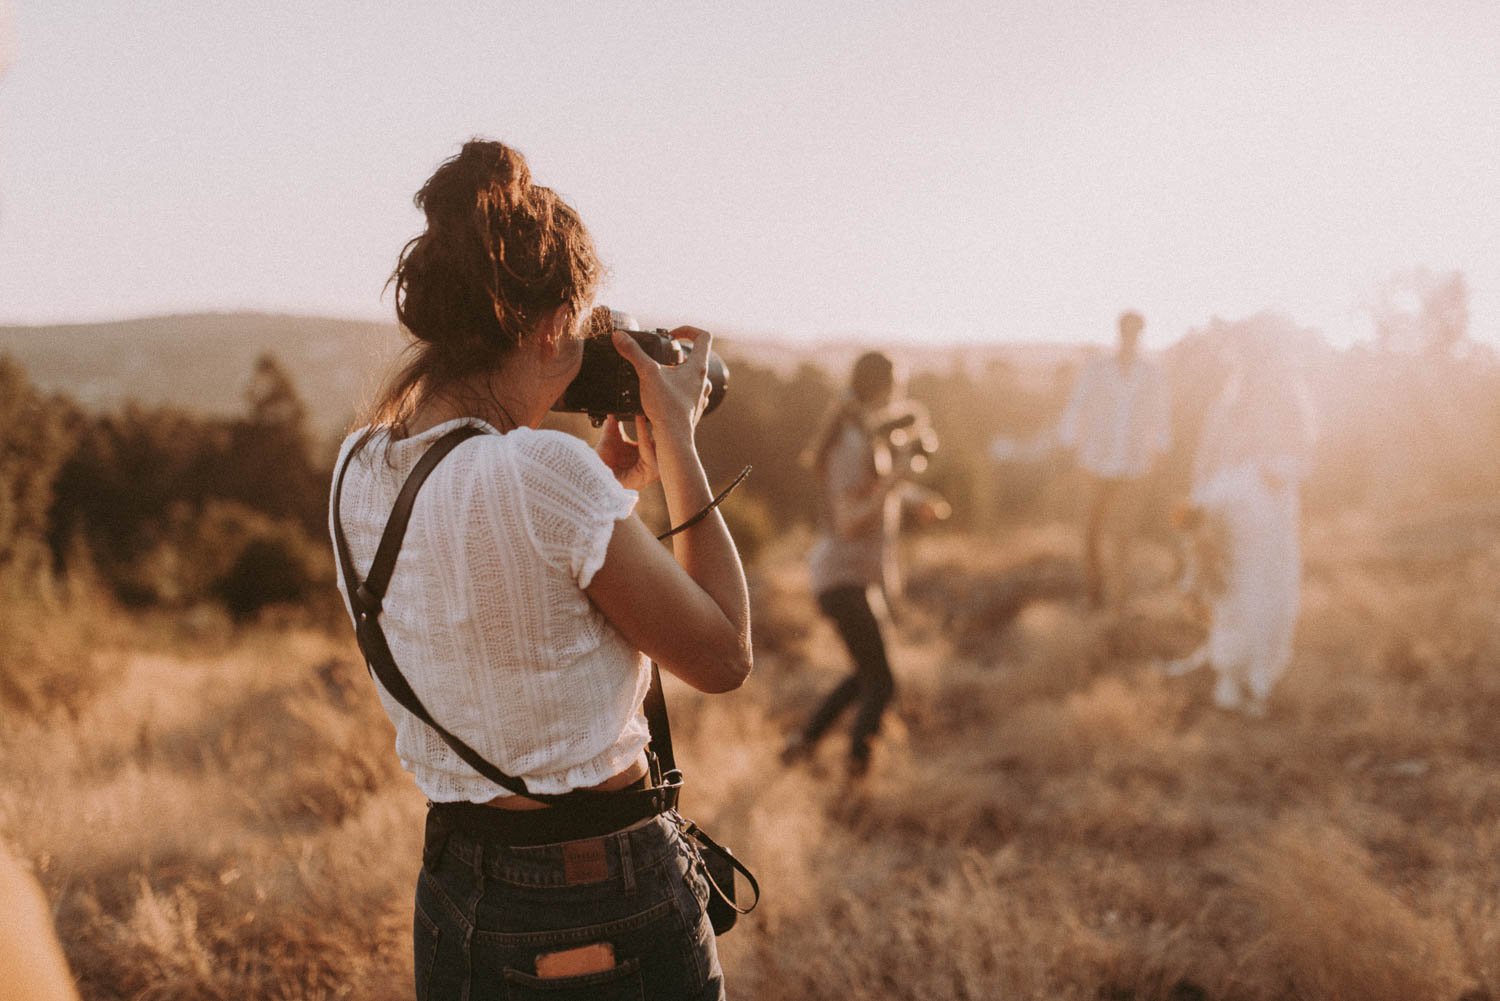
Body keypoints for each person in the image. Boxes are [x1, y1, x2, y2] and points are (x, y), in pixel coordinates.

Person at [330, 140, 751, 1000]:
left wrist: (609, 490)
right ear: (553, 321)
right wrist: (679, 444)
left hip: (459, 890)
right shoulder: (541, 475)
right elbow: (723, 655)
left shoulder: (356, 466)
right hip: (604, 892)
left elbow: (511, 595)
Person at [781, 352, 946, 778]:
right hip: (840, 575)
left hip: (855, 575)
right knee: (881, 680)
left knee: (864, 674)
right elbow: (850, 521)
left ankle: (802, 744)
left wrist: (913, 497)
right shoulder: (849, 442)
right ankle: (857, 769)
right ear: (885, 388)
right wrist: (897, 479)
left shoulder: (864, 434)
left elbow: (869, 493)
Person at [1165, 318, 1315, 715]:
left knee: (1272, 588)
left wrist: (1278, 470)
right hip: (1228, 507)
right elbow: (1207, 457)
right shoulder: (1227, 403)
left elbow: (1304, 456)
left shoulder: (1290, 400)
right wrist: (1199, 506)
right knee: (1231, 587)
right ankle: (1229, 674)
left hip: (1272, 509)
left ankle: (1260, 674)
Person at [1055, 310, 1171, 608]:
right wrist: (1068, 441)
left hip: (1134, 465)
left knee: (1123, 534)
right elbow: (1076, 404)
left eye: (1136, 331)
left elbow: (1161, 414)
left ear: (1140, 333)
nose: (1131, 337)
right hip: (1095, 462)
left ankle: (1117, 600)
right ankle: (1094, 595)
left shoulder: (1152, 372)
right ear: (1120, 332)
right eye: (1127, 331)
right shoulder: (1096, 368)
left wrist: (1160, 448)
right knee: (1091, 533)